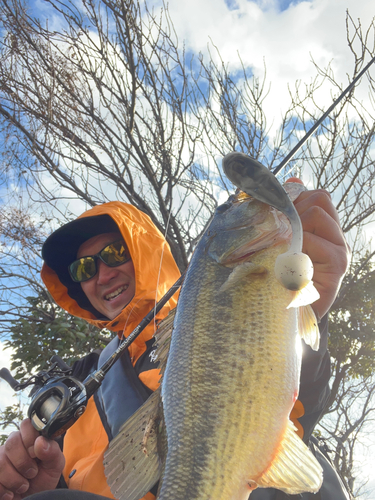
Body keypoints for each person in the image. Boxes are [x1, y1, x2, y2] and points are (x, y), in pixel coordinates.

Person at [0, 185, 350, 500]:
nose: (102, 274)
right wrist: (37, 488)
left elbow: (290, 399)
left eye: (116, 251)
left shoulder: (211, 309)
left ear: (145, 248)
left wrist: (307, 310)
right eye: (83, 269)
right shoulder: (80, 387)